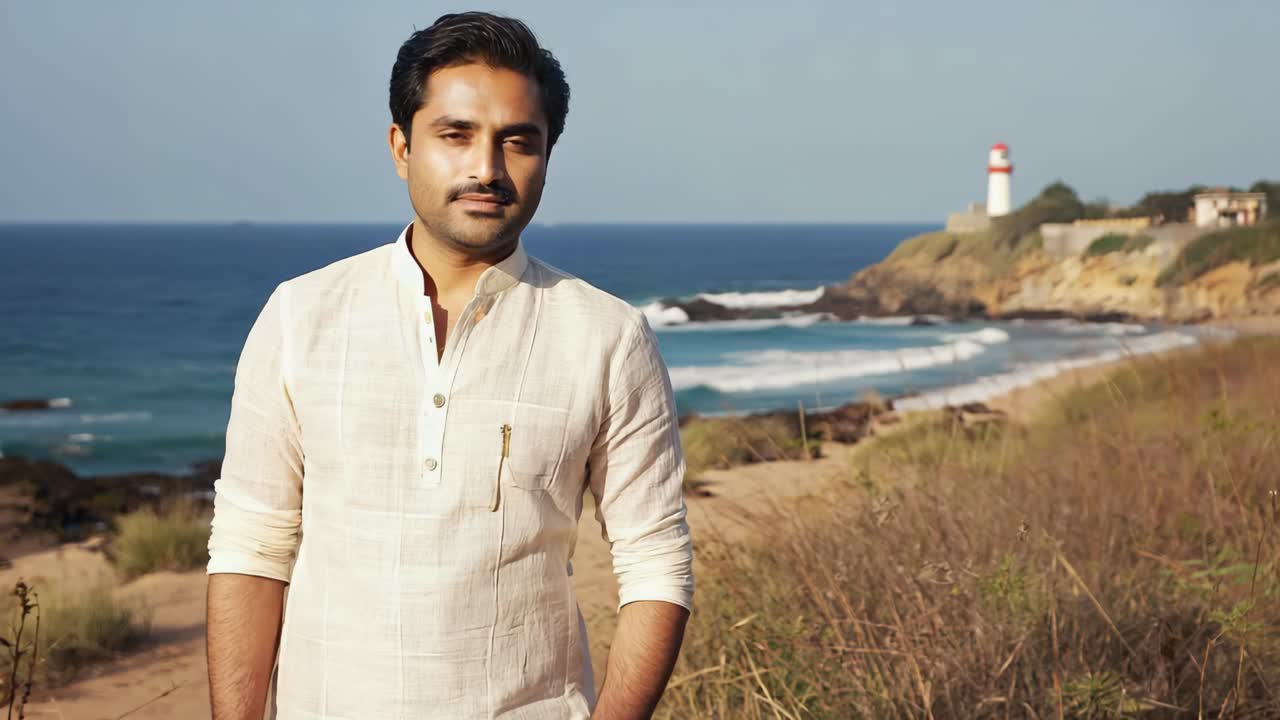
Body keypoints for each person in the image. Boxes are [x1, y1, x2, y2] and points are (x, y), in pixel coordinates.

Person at [205, 12, 693, 719]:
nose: (486, 169)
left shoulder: (608, 336)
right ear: (401, 146)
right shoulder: (300, 315)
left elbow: (656, 562)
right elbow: (252, 547)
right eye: (455, 134)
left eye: (517, 142)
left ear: (548, 155)